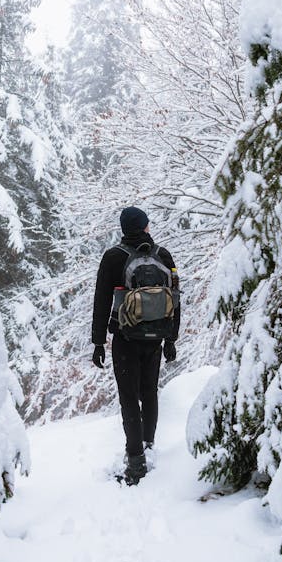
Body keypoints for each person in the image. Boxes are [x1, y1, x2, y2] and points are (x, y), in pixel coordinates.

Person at [91, 206, 180, 485]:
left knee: (129, 398)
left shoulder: (113, 257)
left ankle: (136, 460)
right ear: (144, 227)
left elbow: (101, 301)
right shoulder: (163, 256)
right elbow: (175, 299)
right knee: (149, 392)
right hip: (155, 339)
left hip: (125, 340)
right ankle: (148, 447)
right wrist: (171, 339)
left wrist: (98, 342)